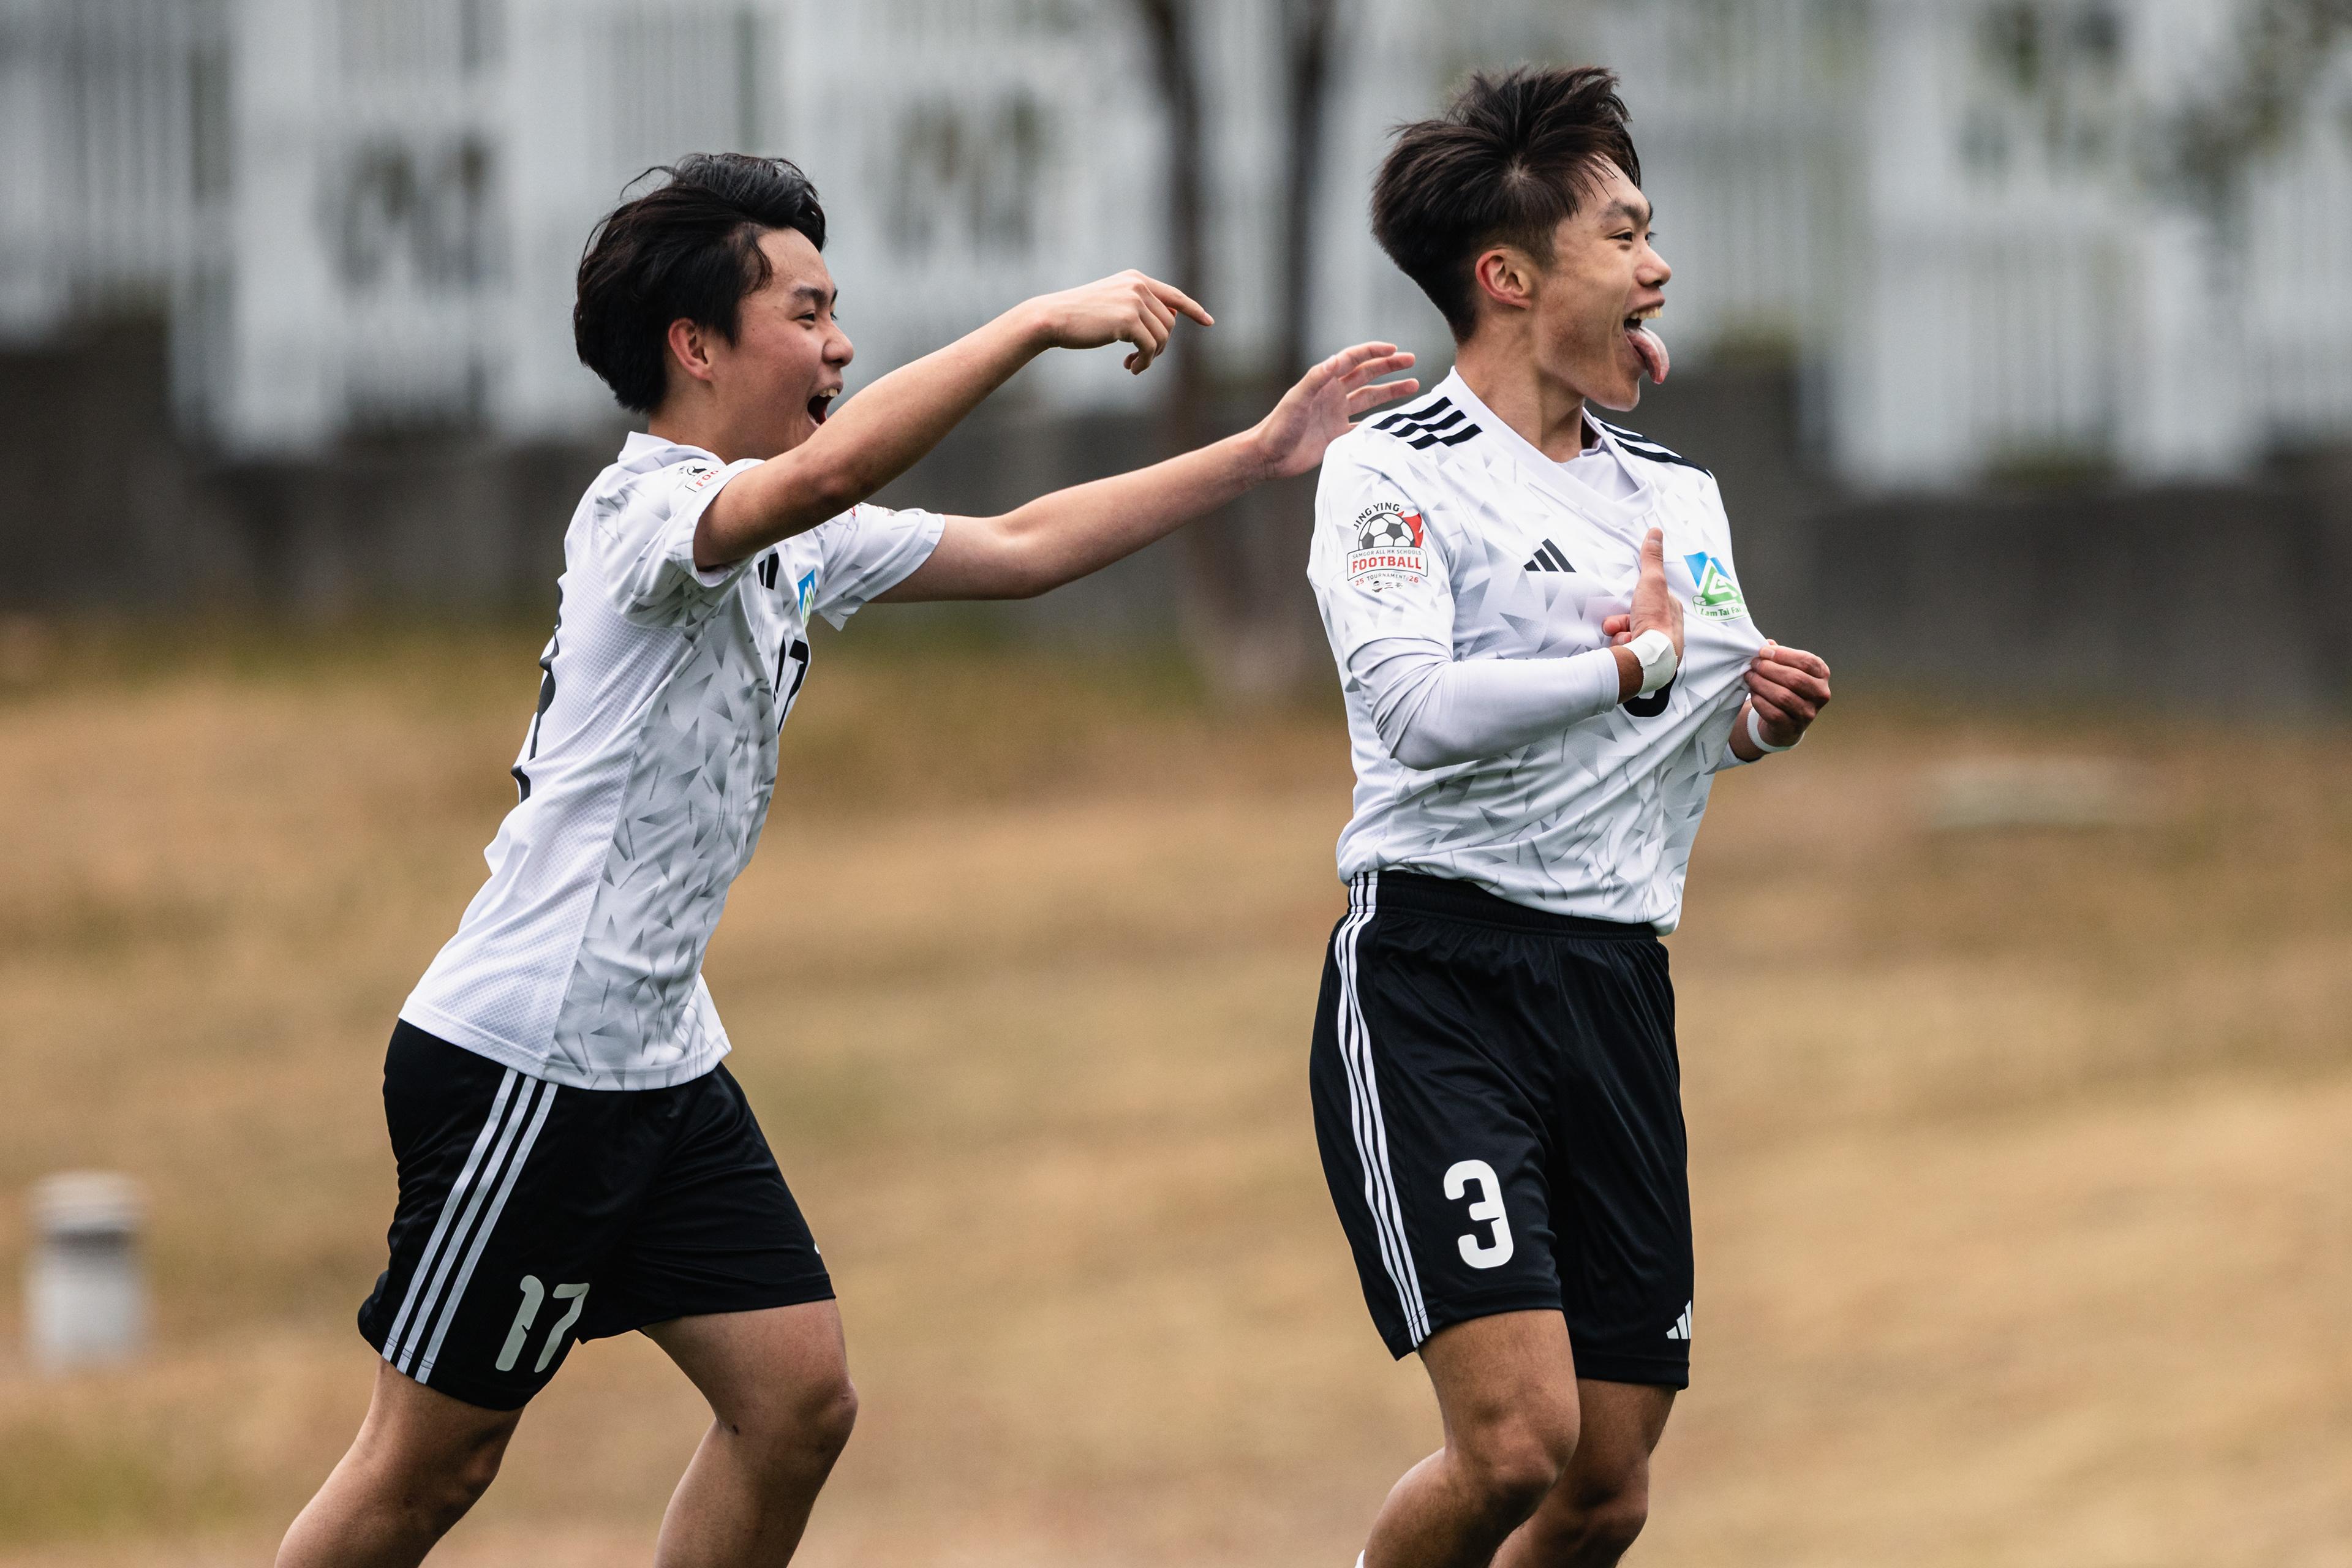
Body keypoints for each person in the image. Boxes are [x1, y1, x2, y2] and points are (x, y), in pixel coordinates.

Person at [277, 151, 1416, 1568]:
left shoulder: (790, 535)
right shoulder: (648, 516)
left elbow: (1023, 543)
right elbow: (833, 469)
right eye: (808, 314)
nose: (842, 345)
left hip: (658, 1056)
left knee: (797, 1399)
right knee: (428, 1468)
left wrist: (1258, 454)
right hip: (531, 1057)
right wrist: (1030, 322)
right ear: (697, 346)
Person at [1304, 68, 1833, 1568]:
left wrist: (1748, 719)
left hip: (1614, 983)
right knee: (1515, 1443)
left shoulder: (1679, 493)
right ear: (1510, 277)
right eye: (1624, 235)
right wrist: (1626, 665)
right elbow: (1415, 708)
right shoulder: (1390, 471)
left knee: (1605, 1487)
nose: (1657, 267)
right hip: (1439, 977)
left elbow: (1683, 716)